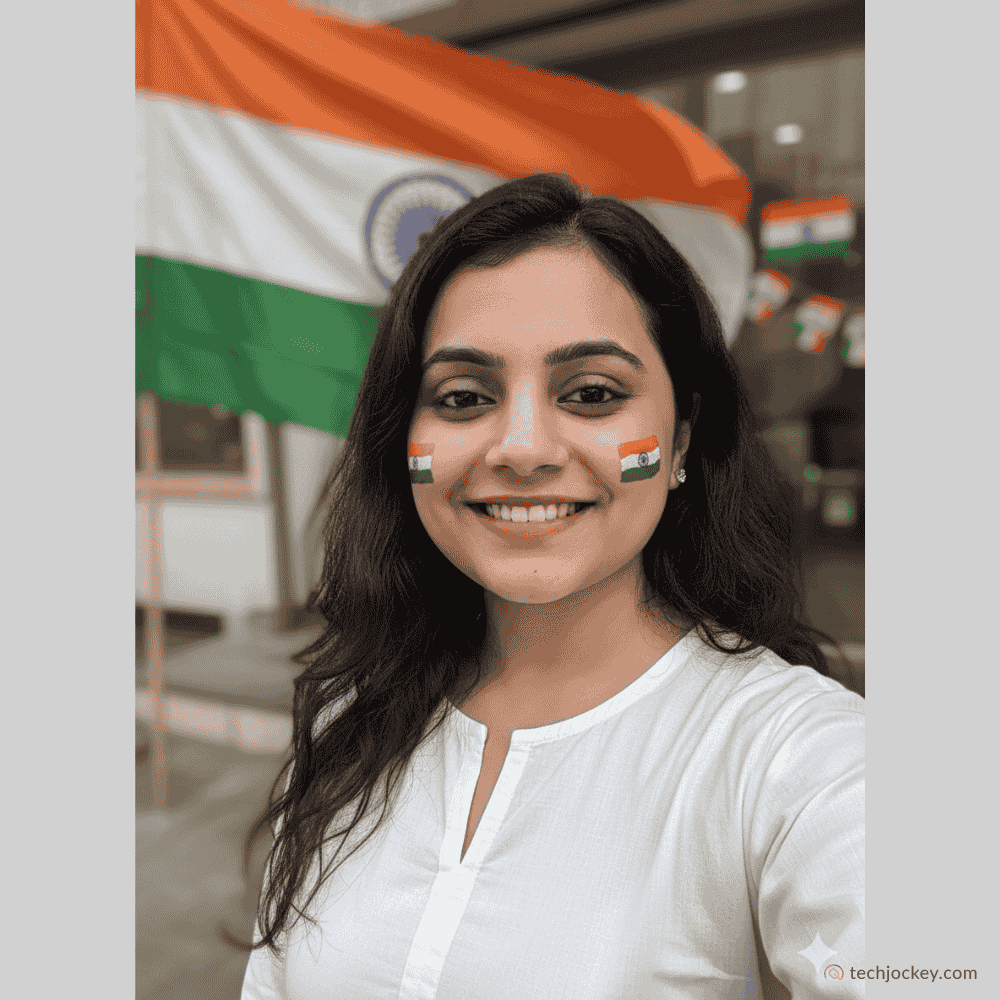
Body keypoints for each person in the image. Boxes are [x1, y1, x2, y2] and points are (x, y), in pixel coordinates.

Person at [240, 174, 864, 999]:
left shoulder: (797, 759)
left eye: (593, 394)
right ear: (405, 438)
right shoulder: (348, 717)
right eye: (463, 397)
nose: (523, 448)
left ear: (680, 441)